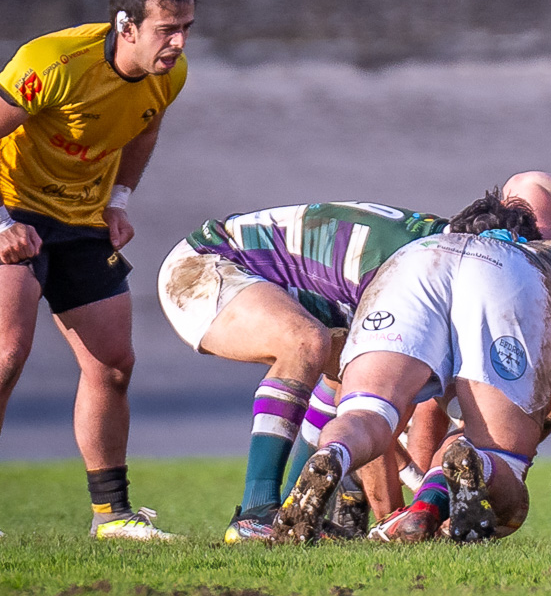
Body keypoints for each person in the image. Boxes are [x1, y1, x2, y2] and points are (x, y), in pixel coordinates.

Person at [0, 0, 196, 540]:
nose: (179, 43)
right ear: (126, 26)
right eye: (167, 30)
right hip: (13, 209)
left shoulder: (168, 73)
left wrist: (121, 200)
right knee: (5, 354)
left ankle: (113, 517)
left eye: (186, 28)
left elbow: (147, 122)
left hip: (83, 218)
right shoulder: (53, 60)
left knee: (112, 366)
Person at [270, 192, 551, 544]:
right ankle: (476, 462)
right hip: (509, 276)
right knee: (503, 467)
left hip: (414, 266)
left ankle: (333, 454)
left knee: (366, 412)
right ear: (524, 235)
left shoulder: (421, 244)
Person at [157, 201, 450, 540]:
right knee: (306, 342)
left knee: (350, 373)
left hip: (264, 276)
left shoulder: (434, 255)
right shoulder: (413, 276)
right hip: (207, 263)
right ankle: (254, 513)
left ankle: (289, 512)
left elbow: (366, 412)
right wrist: (412, 498)